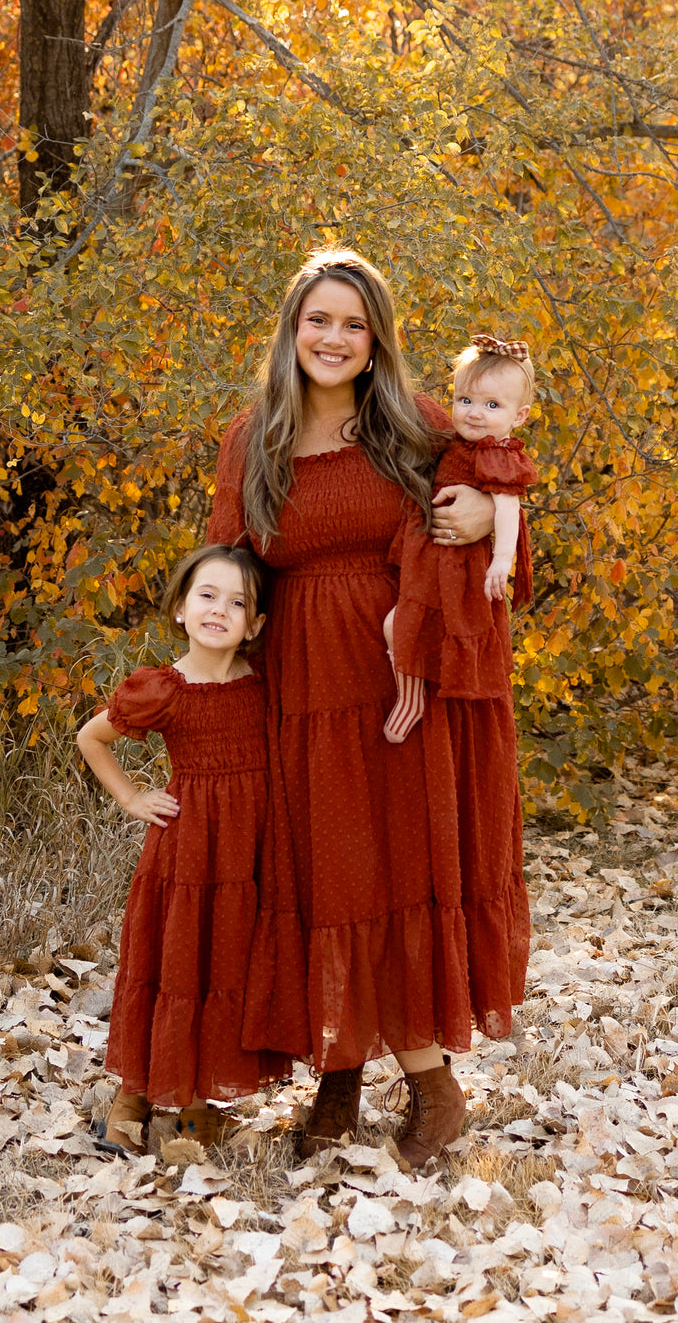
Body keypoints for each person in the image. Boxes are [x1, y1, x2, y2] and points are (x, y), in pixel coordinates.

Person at [206, 248, 532, 1170]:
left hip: (406, 678)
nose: (335, 339)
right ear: (292, 330)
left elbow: (500, 507)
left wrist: (476, 523)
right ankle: (340, 1079)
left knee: (393, 872)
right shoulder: (252, 438)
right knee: (326, 876)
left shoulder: (422, 425)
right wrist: (206, 676)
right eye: (319, 321)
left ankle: (433, 1092)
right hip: (302, 681)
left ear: (377, 337)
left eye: (354, 323)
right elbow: (227, 563)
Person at [76, 544, 289, 1154]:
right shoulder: (165, 689)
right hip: (187, 851)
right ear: (180, 608)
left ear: (255, 625)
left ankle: (198, 1104)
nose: (220, 609)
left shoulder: (262, 684)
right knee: (171, 967)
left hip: (245, 854)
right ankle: (131, 1100)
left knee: (222, 967)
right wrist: (133, 799)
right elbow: (92, 738)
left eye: (238, 602)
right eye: (207, 595)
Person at [382, 335, 539, 744]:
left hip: (461, 566)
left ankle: (420, 700)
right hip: (431, 556)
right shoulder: (452, 442)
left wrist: (501, 562)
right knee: (397, 625)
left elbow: (507, 508)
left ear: (519, 415)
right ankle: (410, 697)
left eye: (492, 406)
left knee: (425, 628)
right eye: (465, 400)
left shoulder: (499, 455)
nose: (474, 413)